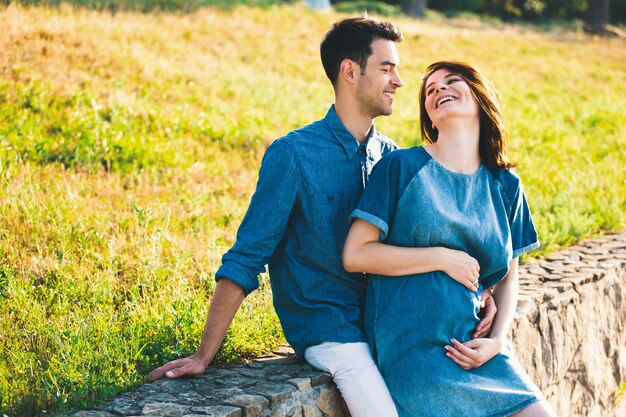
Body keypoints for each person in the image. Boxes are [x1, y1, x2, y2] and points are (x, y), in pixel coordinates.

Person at [149, 19, 496, 417]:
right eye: (387, 68)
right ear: (350, 71)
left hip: (388, 323)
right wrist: (203, 354)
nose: (399, 81)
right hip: (330, 330)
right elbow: (247, 256)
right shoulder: (293, 154)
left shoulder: (394, 158)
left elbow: (429, 244)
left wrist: (481, 295)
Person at [343, 61, 557, 417]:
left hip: (477, 348)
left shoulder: (506, 186)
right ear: (429, 115)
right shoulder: (401, 167)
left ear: (479, 95)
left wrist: (497, 340)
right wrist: (442, 257)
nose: (439, 90)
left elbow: (508, 278)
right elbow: (356, 254)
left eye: (451, 82)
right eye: (430, 90)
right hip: (414, 349)